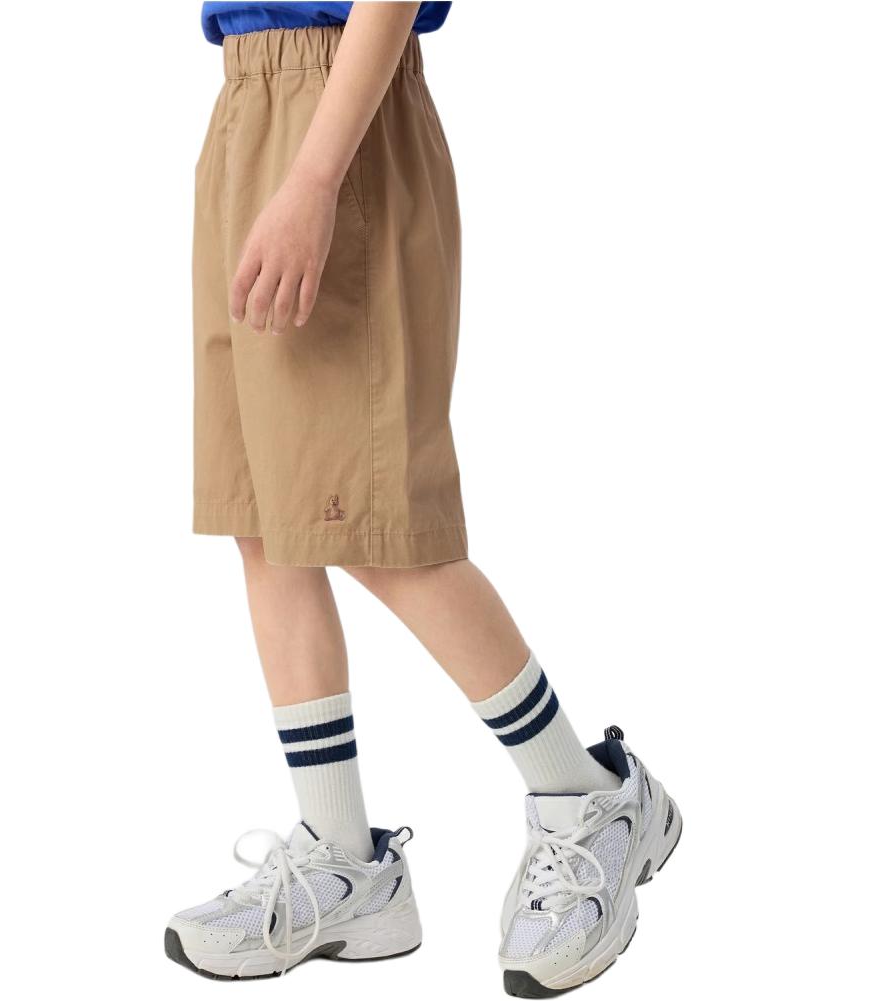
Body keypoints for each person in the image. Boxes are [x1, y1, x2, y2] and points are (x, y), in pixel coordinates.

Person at [166, 3, 681, 994]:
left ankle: (589, 798)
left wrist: (313, 177)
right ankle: (344, 861)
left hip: (339, 112)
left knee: (370, 520)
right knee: (264, 522)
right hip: (243, 98)